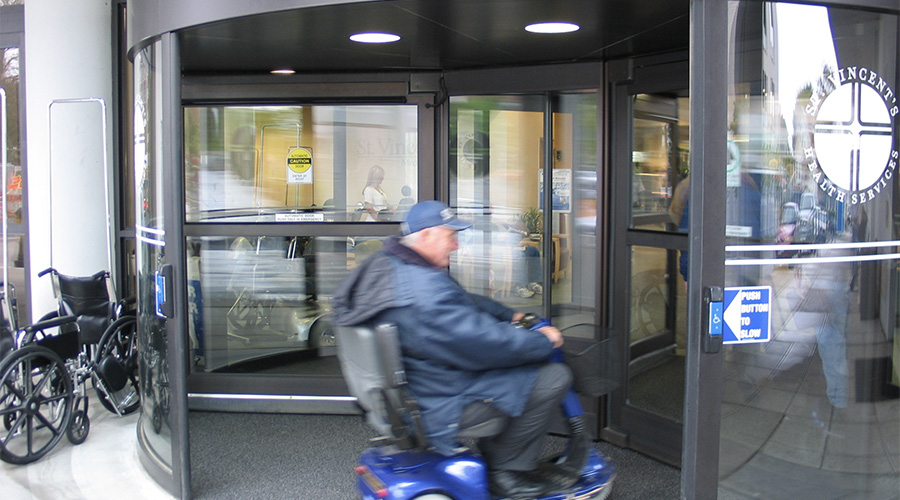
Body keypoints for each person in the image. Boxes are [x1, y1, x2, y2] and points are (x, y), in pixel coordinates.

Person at [333, 200, 571, 500]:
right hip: (437, 399)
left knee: (514, 365)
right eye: (450, 236)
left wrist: (512, 316)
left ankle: (499, 454)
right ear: (427, 236)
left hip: (413, 385)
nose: (456, 245)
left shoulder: (388, 266)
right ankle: (507, 473)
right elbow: (487, 344)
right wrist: (544, 341)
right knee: (553, 377)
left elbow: (461, 301)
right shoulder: (425, 293)